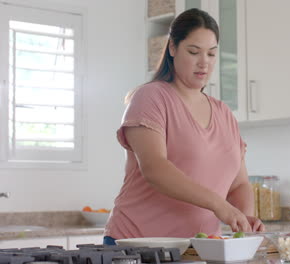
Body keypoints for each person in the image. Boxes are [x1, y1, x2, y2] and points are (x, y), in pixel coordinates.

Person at [103, 8, 265, 245]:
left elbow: (239, 184)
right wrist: (219, 205)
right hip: (139, 245)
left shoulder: (224, 113)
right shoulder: (150, 98)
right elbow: (155, 168)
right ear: (172, 48)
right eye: (193, 51)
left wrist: (244, 217)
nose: (204, 63)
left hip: (199, 248)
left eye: (211, 54)